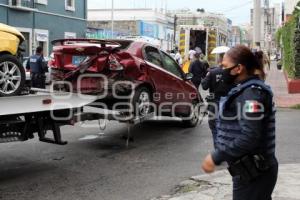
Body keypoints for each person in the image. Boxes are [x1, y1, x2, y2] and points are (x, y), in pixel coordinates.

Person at [201, 45, 278, 200]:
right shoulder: (244, 89)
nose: (222, 70)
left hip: (255, 172)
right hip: (248, 171)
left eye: (225, 66)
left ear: (239, 68)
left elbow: (250, 135)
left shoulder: (251, 94)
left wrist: (216, 156)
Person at [201, 53, 233, 148]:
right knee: (227, 127)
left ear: (219, 60)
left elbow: (204, 86)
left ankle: (218, 149)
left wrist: (206, 76)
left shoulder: (212, 72)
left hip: (214, 103)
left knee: (214, 126)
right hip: (228, 104)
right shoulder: (232, 73)